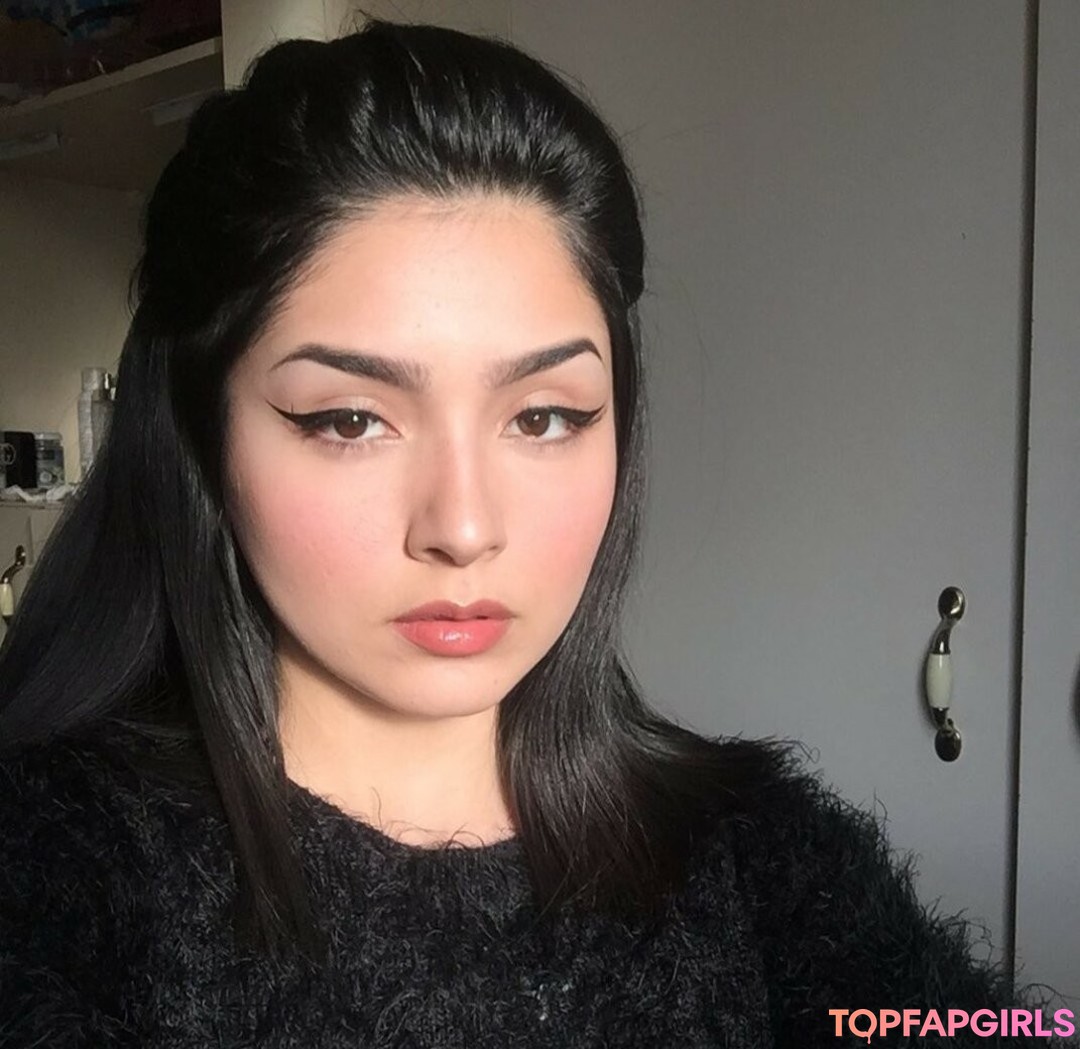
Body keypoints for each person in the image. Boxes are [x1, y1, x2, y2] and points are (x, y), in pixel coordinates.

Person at [0, 18, 1070, 1049]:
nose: (464, 528)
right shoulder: (56, 872)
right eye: (351, 420)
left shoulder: (760, 853)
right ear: (201, 432)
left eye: (545, 416)